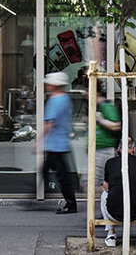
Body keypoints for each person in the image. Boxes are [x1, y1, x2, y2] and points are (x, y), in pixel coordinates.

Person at [101, 135, 136, 249]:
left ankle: (111, 234)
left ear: (118, 149)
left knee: (104, 195)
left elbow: (106, 187)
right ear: (133, 149)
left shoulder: (110, 163)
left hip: (113, 213)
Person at [42, 71, 79, 214]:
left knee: (62, 176)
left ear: (53, 85)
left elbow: (50, 123)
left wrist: (38, 140)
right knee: (45, 171)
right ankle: (34, 196)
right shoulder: (65, 98)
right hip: (60, 142)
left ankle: (71, 204)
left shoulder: (55, 100)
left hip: (55, 144)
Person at [94, 80, 122, 197]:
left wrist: (100, 120)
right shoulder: (99, 107)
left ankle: (109, 206)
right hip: (99, 149)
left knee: (100, 183)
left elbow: (117, 125)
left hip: (105, 150)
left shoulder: (106, 107)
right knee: (96, 183)